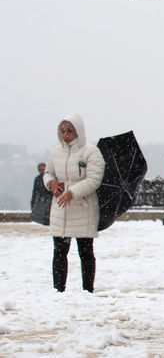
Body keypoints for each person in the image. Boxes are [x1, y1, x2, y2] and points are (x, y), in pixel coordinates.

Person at [43, 115, 105, 292]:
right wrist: (51, 183)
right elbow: (48, 173)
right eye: (62, 131)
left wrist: (73, 191)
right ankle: (58, 290)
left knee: (85, 251)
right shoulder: (55, 152)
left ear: (78, 131)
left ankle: (87, 290)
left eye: (69, 131)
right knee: (59, 252)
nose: (66, 135)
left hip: (83, 208)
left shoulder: (91, 152)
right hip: (60, 208)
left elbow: (94, 179)